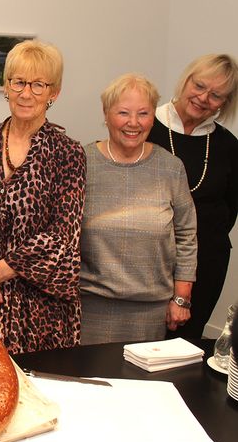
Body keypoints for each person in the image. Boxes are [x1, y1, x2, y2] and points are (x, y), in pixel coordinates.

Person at [0, 40, 85, 354]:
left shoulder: (67, 153)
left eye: (38, 85)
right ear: (6, 86)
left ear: (54, 93)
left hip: (40, 308)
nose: (26, 93)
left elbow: (62, 236)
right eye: (18, 82)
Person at [80, 73, 197, 344]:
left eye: (143, 113)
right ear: (106, 114)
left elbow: (186, 235)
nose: (133, 123)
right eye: (123, 112)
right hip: (90, 308)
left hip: (152, 310)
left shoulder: (170, 167)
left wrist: (182, 298)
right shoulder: (82, 162)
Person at [147, 54, 238, 339]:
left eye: (216, 95)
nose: (203, 98)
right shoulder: (144, 126)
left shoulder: (227, 145)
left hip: (206, 263)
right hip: (146, 261)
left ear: (225, 103)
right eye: (199, 86)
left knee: (185, 347)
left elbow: (229, 209)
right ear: (186, 80)